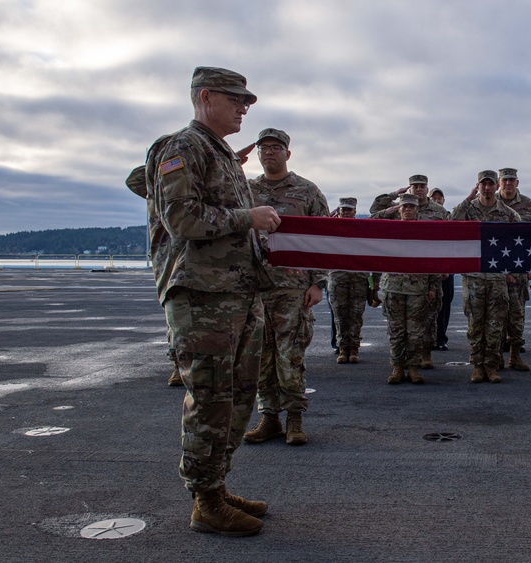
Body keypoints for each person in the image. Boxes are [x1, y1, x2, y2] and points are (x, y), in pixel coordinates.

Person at [146, 66, 280, 536]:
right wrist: (249, 216)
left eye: (247, 101)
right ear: (205, 97)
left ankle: (216, 485)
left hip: (236, 293)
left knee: (238, 397)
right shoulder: (182, 147)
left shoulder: (220, 153)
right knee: (210, 398)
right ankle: (205, 501)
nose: (244, 107)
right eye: (236, 99)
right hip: (202, 295)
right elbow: (181, 217)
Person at [241, 128, 328, 448]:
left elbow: (323, 240)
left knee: (289, 358)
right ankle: (270, 417)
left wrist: (318, 283)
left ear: (288, 154)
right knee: (261, 357)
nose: (269, 153)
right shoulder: (246, 190)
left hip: (293, 290)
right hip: (255, 289)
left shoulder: (307, 191)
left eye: (276, 148)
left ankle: (294, 417)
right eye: (264, 148)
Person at [372, 175, 448, 370]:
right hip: (397, 281)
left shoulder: (439, 212)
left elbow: (447, 240)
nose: (419, 189)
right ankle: (402, 361)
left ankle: (425, 353)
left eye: (422, 186)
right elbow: (373, 215)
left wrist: (441, 270)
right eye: (414, 186)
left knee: (428, 317)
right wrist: (395, 198)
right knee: (400, 326)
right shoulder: (396, 215)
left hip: (428, 275)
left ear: (427, 187)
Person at [450, 170, 521, 383]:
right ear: (478, 186)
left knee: (495, 325)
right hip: (473, 278)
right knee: (475, 325)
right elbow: (451, 223)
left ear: (496, 186)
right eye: (483, 184)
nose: (487, 188)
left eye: (491, 184)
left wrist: (512, 272)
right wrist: (468, 198)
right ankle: (477, 366)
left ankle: (491, 366)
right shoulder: (467, 210)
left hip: (498, 278)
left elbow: (519, 244)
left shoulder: (508, 214)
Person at [125, 164, 181, 387]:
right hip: (168, 256)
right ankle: (178, 361)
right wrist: (167, 160)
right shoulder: (160, 185)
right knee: (175, 310)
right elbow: (135, 180)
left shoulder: (199, 181)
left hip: (200, 254)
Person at [381, 194, 442, 384]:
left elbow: (434, 259)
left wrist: (433, 286)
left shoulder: (425, 231)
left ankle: (414, 368)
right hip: (393, 288)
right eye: (404, 206)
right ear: (399, 209)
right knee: (396, 331)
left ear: (417, 209)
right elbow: (370, 223)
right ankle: (397, 367)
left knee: (415, 332)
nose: (407, 210)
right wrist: (387, 210)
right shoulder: (389, 229)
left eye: (411, 207)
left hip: (418, 289)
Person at [497, 167, 531, 371]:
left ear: (517, 183)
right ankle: (496, 357)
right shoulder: (488, 204)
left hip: (519, 270)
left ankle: (514, 356)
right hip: (495, 271)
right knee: (495, 316)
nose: (508, 184)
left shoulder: (529, 206)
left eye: (511, 180)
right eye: (504, 180)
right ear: (499, 182)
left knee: (516, 316)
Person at [329, 197, 370, 364]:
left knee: (356, 315)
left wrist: (374, 284)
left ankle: (354, 348)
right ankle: (342, 348)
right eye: (343, 210)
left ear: (355, 212)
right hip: (338, 278)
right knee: (339, 315)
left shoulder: (362, 230)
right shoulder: (331, 229)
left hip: (358, 279)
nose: (345, 213)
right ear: (338, 211)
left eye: (349, 210)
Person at [428, 187, 455, 351]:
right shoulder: (421, 216)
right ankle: (428, 338)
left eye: (440, 198)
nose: (437, 200)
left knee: (445, 304)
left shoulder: (448, 218)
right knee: (427, 304)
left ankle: (441, 338)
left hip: (445, 268)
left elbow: (452, 244)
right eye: (434, 197)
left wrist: (447, 266)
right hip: (428, 269)